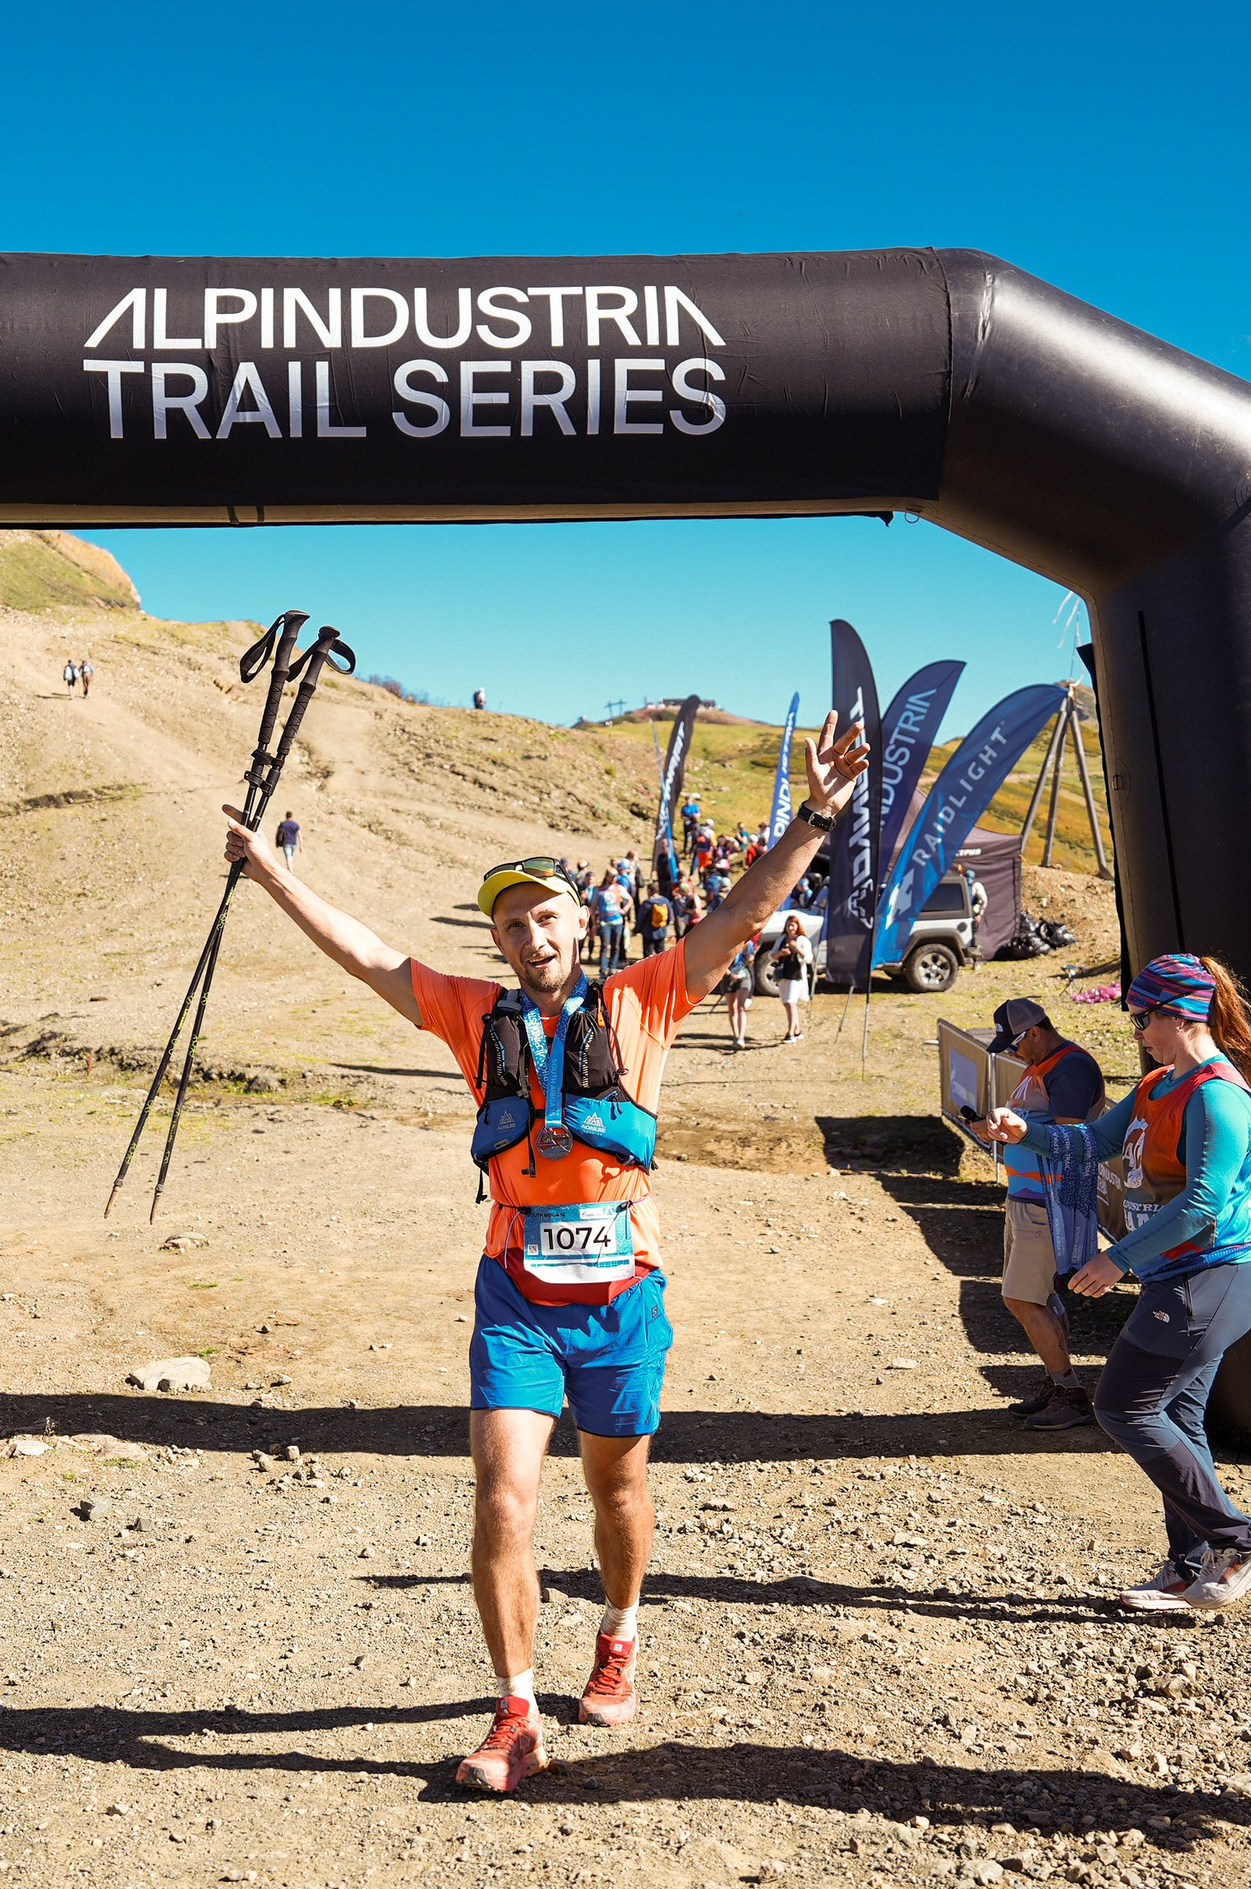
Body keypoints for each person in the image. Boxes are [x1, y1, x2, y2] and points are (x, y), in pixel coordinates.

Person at [220, 714, 868, 1792]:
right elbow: (369, 955)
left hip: (622, 1291)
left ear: (583, 925)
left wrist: (814, 817)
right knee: (503, 1497)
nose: (530, 935)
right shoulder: (473, 1018)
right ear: (502, 943)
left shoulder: (643, 998)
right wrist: (268, 872)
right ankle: (515, 1712)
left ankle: (617, 1630)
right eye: (512, 923)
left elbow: (743, 913)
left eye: (546, 915)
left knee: (617, 1493)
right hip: (515, 1289)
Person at [974, 954, 1251, 1612]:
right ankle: (1192, 1564)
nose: (1137, 1030)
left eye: (1143, 1017)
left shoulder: (1218, 1096)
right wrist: (1026, 1133)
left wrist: (1118, 1258)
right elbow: (1089, 1143)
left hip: (1214, 1279)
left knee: (1123, 1406)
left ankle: (1242, 1541)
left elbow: (1203, 1203)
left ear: (1179, 1015)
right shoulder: (1154, 1088)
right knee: (1177, 1416)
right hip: (1184, 1279)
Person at [983, 998, 1108, 1430]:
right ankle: (1059, 1385)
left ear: (1035, 1031)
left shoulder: (1069, 1066)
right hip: (1028, 1198)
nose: (1012, 1052)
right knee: (1038, 1296)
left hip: (1049, 1200)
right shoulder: (1042, 1064)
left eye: (1015, 1044)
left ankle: (1070, 1393)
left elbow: (1068, 1138)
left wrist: (1015, 1130)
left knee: (1022, 1297)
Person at [763, 915, 810, 1042]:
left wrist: (797, 948)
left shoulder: (802, 940)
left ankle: (790, 1033)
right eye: (788, 925)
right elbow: (772, 955)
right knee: (786, 1003)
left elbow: (809, 958)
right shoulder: (782, 938)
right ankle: (797, 1030)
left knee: (791, 1002)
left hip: (796, 975)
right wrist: (781, 953)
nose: (790, 928)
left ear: (797, 926)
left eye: (793, 925)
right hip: (783, 974)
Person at [722, 937, 757, 1049]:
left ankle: (741, 1037)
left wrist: (751, 959)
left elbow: (751, 960)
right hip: (728, 977)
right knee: (732, 1007)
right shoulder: (726, 944)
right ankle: (736, 1035)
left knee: (740, 1007)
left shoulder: (748, 944)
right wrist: (729, 974)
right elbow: (720, 964)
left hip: (743, 976)